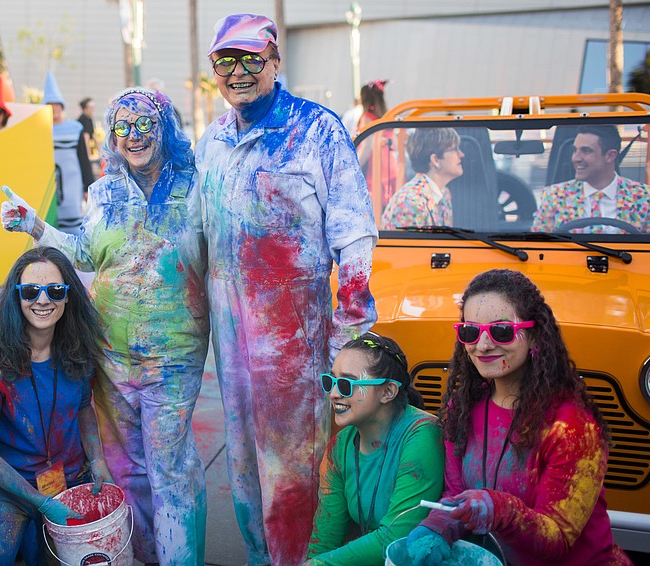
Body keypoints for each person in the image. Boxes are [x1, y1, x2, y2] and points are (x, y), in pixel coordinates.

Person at [196, 13, 378, 566]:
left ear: (276, 62)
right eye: (226, 60)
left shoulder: (317, 131)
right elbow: (192, 239)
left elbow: (355, 240)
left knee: (294, 475)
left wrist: (348, 343)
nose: (239, 71)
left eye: (252, 58)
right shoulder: (213, 140)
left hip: (295, 347)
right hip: (230, 346)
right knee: (245, 471)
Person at [0, 87, 209, 565]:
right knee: (127, 468)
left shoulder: (197, 185)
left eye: (143, 125)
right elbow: (86, 255)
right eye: (122, 127)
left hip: (174, 355)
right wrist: (35, 226)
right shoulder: (106, 190)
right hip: (110, 353)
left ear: (165, 129)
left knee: (171, 468)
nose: (133, 136)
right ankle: (141, 556)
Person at [405, 269, 632, 566]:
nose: (483, 345)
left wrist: (498, 508)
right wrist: (435, 528)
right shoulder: (460, 410)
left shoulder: (573, 428)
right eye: (470, 332)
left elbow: (558, 539)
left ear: (534, 334)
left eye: (501, 331)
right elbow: (455, 495)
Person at [0, 246, 111, 565]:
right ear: (16, 296)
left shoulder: (78, 347)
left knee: (99, 553)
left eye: (55, 290)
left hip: (70, 480)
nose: (43, 300)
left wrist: (97, 460)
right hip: (5, 488)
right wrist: (40, 502)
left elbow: (83, 408)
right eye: (30, 291)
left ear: (68, 296)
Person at [305, 333, 444, 566]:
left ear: (388, 392)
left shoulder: (422, 435)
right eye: (331, 382)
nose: (334, 394)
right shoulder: (339, 447)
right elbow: (325, 539)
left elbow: (395, 539)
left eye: (347, 384)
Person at [532, 125, 650, 234]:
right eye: (575, 150)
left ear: (610, 156)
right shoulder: (553, 197)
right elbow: (536, 247)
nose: (576, 158)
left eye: (586, 151)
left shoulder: (646, 198)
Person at [379, 128, 463, 230]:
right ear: (435, 160)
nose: (461, 154)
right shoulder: (410, 203)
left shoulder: (444, 193)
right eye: (455, 149)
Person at [42, 71, 95, 234]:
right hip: (48, 186)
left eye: (56, 104)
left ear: (61, 106)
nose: (54, 108)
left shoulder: (75, 128)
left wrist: (88, 187)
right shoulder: (39, 131)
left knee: (73, 228)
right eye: (50, 104)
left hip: (72, 184)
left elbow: (83, 159)